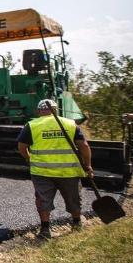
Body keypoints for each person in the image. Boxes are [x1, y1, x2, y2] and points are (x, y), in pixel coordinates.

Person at [17, 99, 92, 239]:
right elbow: (84, 146)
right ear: (56, 110)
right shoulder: (70, 124)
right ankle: (76, 223)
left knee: (43, 199)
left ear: (39, 111)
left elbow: (21, 147)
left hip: (42, 172)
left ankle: (45, 230)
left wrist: (29, 158)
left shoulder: (32, 125)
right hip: (69, 171)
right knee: (73, 198)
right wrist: (88, 165)